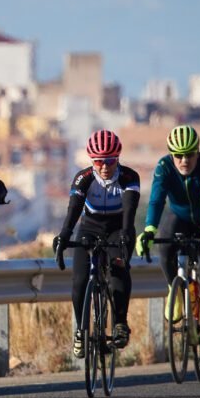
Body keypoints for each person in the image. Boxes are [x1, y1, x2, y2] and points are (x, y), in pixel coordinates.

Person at [135, 125, 200, 365]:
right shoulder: (164, 167)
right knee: (164, 244)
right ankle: (173, 291)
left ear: (198, 152)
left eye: (189, 154)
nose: (184, 160)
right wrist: (148, 230)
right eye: (178, 155)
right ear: (171, 154)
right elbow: (156, 200)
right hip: (180, 218)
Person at [53, 130, 140, 358]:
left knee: (119, 269)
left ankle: (120, 322)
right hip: (89, 227)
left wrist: (125, 238)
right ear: (92, 160)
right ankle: (81, 331)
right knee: (80, 281)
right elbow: (73, 211)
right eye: (99, 161)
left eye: (109, 161)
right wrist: (64, 235)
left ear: (117, 158)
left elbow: (129, 213)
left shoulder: (129, 178)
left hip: (118, 227)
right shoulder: (83, 178)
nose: (104, 166)